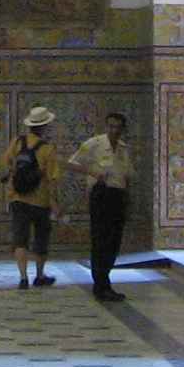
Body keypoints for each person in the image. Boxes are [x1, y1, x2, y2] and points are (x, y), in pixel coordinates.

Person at [72, 110, 134, 300]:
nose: (114, 130)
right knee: (101, 240)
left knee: (114, 241)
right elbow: (72, 163)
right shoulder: (94, 144)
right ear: (105, 127)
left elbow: (127, 176)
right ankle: (100, 285)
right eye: (111, 126)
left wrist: (128, 199)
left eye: (118, 127)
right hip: (102, 194)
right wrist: (93, 173)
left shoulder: (123, 149)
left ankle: (105, 281)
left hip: (118, 195)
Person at [4, 106, 63, 288]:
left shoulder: (17, 142)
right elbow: (52, 178)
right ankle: (39, 275)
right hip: (40, 200)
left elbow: (8, 163)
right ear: (44, 127)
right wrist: (54, 202)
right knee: (41, 238)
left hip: (17, 197)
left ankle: (23, 277)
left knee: (20, 239)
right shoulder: (47, 150)